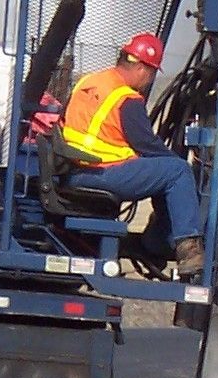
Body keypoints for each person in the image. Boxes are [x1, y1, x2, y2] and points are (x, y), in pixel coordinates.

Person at [58, 32, 204, 278]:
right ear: (142, 69)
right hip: (102, 173)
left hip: (74, 170)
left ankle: (159, 240)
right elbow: (147, 145)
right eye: (151, 73)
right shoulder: (125, 98)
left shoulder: (89, 82)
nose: (149, 80)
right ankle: (184, 249)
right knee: (178, 172)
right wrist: (174, 159)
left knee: (165, 173)